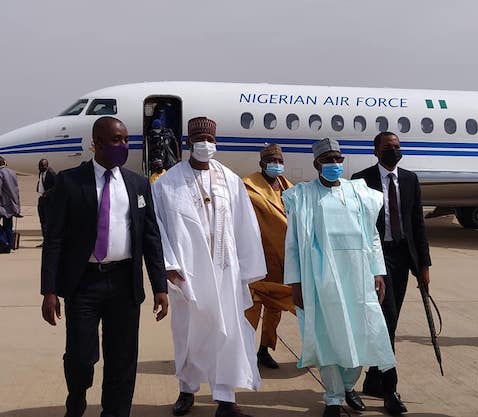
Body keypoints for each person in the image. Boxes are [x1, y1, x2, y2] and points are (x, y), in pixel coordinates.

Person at [40, 116, 169, 417]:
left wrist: (160, 286)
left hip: (124, 283)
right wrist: (49, 290)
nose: (122, 145)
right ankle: (77, 397)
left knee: (122, 359)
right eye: (115, 140)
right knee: (81, 357)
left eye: (125, 140)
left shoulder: (137, 184)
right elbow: (55, 238)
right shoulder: (71, 182)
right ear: (96, 143)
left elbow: (151, 238)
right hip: (83, 283)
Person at [152, 117, 267, 417]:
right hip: (187, 274)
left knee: (227, 334)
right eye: (200, 139)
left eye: (210, 139)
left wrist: (246, 268)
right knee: (187, 335)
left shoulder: (230, 180)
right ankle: (186, 391)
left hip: (225, 272)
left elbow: (245, 226)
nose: (206, 144)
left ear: (216, 143)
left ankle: (225, 398)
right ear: (189, 142)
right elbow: (158, 228)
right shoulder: (167, 184)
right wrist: (168, 266)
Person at [283, 138, 395, 417]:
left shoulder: (360, 193)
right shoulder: (302, 196)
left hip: (358, 276)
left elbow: (371, 236)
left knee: (362, 335)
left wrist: (377, 271)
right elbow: (293, 244)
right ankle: (333, 398)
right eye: (328, 159)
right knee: (327, 337)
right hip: (321, 279)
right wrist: (295, 282)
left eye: (338, 159)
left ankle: (347, 385)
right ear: (317, 163)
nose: (334, 164)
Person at [351, 131, 431, 414]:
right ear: (375, 151)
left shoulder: (410, 179)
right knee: (386, 318)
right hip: (374, 258)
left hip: (401, 257)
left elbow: (417, 224)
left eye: (397, 147)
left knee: (390, 322)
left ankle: (374, 378)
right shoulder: (360, 180)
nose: (393, 151)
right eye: (387, 147)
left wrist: (424, 265)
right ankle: (390, 390)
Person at [242, 143, 296, 369]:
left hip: (281, 260)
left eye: (279, 161)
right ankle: (242, 353)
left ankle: (264, 350)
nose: (276, 164)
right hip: (257, 259)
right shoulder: (247, 188)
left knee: (274, 311)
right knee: (251, 310)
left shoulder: (289, 188)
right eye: (271, 161)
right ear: (261, 163)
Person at [0, 155, 21, 253]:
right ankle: (10, 244)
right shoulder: (12, 172)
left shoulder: (0, 173)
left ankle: (4, 243)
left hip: (2, 205)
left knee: (5, 226)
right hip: (11, 204)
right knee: (8, 225)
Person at [36, 158, 56, 247]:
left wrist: (47, 193)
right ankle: (45, 240)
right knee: (42, 221)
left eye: (42, 166)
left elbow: (56, 186)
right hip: (41, 199)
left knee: (48, 222)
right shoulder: (41, 173)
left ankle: (49, 241)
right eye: (39, 166)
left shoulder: (51, 173)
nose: (40, 167)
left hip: (49, 201)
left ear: (47, 166)